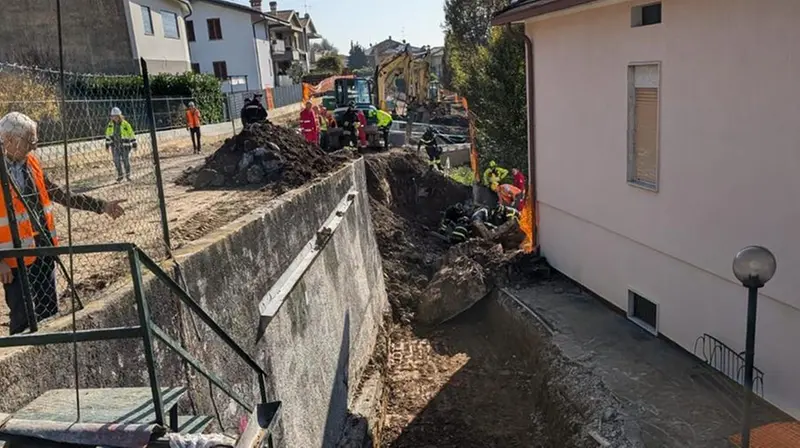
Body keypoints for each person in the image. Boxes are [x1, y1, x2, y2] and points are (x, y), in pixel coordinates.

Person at [0, 112, 126, 334]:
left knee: (49, 310)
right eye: (28, 140)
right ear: (8, 139)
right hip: (14, 259)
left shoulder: (31, 163)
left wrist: (102, 206)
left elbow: (60, 195)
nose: (34, 146)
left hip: (44, 248)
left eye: (34, 140)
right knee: (22, 317)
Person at [105, 107, 137, 182]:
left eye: (116, 116)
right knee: (116, 161)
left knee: (126, 160)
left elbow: (131, 134)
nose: (114, 118)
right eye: (113, 116)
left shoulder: (125, 124)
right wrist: (107, 145)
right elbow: (108, 135)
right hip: (115, 146)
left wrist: (134, 143)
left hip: (125, 145)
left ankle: (128, 175)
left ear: (119, 116)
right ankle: (120, 175)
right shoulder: (110, 125)